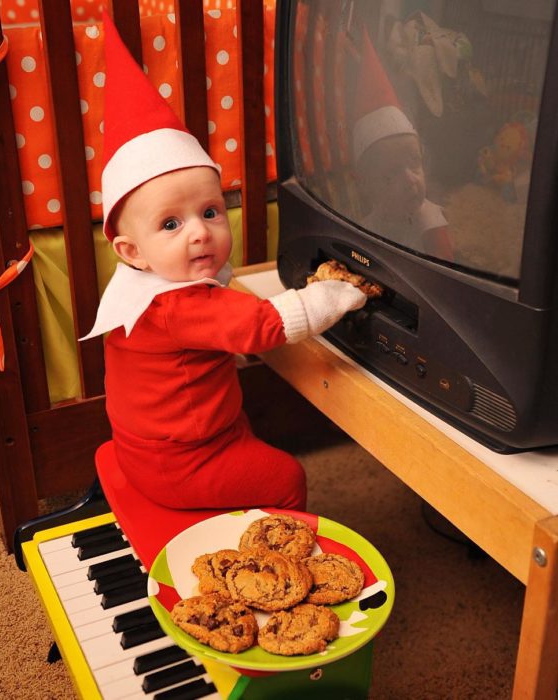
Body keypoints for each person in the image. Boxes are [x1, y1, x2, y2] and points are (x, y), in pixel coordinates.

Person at [82, 14, 367, 513]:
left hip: (149, 446)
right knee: (284, 475)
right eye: (171, 224)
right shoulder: (176, 306)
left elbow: (224, 315)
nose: (199, 231)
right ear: (130, 250)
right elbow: (264, 325)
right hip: (181, 464)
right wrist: (337, 294)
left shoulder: (137, 288)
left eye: (211, 212)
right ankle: (278, 553)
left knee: (243, 431)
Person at [353, 28, 454, 261]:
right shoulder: (368, 225)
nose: (411, 180)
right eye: (390, 175)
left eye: (414, 163)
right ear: (367, 187)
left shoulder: (431, 226)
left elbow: (445, 272)